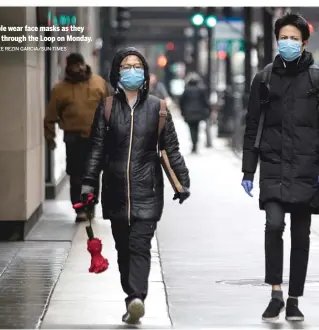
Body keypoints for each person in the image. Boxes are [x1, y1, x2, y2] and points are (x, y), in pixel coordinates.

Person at [241, 13, 319, 322]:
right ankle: (275, 293)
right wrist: (248, 170)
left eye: (293, 38)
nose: (287, 43)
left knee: (301, 235)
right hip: (272, 166)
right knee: (273, 227)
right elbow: (253, 125)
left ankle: (294, 297)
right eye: (283, 37)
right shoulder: (265, 78)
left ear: (304, 42)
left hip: (306, 169)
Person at [81, 46, 190, 324]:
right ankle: (132, 299)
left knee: (140, 245)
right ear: (117, 71)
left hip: (148, 190)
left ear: (145, 72)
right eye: (126, 66)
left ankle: (138, 296)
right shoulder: (106, 107)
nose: (132, 71)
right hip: (115, 191)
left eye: (137, 66)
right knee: (123, 248)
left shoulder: (158, 108)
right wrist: (88, 183)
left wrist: (182, 182)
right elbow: (96, 150)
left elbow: (172, 149)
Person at [44, 53, 109, 222]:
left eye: (80, 64)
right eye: (74, 65)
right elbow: (50, 115)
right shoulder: (60, 89)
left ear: (84, 64)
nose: (78, 68)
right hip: (73, 138)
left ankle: (91, 206)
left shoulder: (98, 83)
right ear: (68, 68)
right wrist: (49, 137)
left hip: (96, 137)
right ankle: (80, 209)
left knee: (93, 174)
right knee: (76, 175)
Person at [179, 72, 211, 153]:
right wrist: (208, 110)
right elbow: (205, 102)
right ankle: (195, 144)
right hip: (198, 113)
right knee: (197, 129)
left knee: (191, 129)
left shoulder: (186, 90)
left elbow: (181, 102)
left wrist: (182, 112)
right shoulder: (201, 90)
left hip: (188, 113)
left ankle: (193, 143)